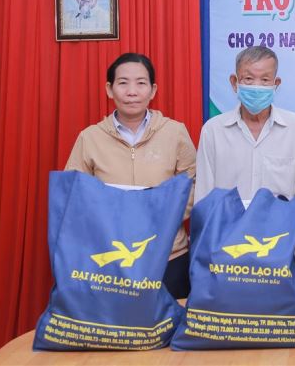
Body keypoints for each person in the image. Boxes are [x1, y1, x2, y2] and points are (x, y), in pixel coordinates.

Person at [65, 52, 197, 299]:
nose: (132, 92)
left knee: (168, 321)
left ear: (153, 90)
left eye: (141, 83)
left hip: (168, 254)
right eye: (123, 83)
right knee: (114, 322)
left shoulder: (175, 133)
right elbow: (74, 192)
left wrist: (162, 218)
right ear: (109, 89)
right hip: (110, 256)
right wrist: (107, 222)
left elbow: (193, 184)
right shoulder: (90, 137)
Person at [195, 45, 295, 278]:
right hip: (228, 257)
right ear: (234, 82)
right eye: (248, 79)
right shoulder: (213, 131)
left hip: (284, 255)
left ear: (276, 83)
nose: (257, 86)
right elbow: (204, 197)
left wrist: (287, 220)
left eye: (265, 80)